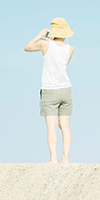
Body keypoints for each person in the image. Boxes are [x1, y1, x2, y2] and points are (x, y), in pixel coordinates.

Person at [24, 17, 75, 164]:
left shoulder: (44, 45)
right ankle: (65, 158)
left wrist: (40, 36)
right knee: (65, 126)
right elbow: (65, 64)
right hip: (66, 88)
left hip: (50, 90)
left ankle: (53, 158)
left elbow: (27, 47)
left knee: (51, 126)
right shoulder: (70, 49)